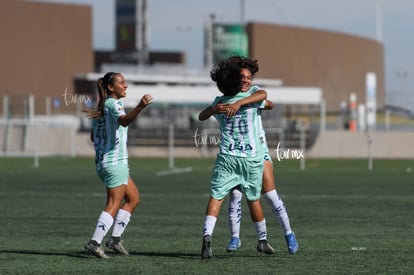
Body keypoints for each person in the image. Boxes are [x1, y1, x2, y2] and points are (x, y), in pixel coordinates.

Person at [199, 56, 275, 259]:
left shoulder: (220, 103)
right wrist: (242, 102)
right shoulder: (251, 101)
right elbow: (265, 96)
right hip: (250, 158)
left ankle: (207, 237)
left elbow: (201, 116)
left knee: (216, 197)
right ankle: (262, 240)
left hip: (227, 157)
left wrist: (214, 109)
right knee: (253, 199)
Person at [224, 57, 299, 254]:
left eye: (248, 77)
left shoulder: (253, 94)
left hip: (259, 153)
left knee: (270, 195)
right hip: (236, 154)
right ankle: (235, 238)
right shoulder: (228, 95)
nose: (245, 80)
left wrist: (243, 103)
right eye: (242, 77)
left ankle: (289, 234)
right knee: (235, 195)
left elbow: (268, 100)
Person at [84, 72, 153, 259]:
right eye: (121, 83)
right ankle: (95, 242)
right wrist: (140, 106)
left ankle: (114, 240)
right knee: (113, 204)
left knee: (133, 199)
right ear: (110, 87)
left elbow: (93, 136)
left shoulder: (101, 108)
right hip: (115, 163)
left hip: (103, 163)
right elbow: (124, 121)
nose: (126, 86)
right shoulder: (113, 104)